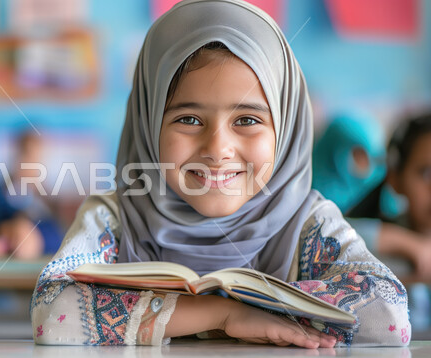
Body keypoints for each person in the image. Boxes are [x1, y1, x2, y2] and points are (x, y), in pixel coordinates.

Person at [30, 0, 409, 348]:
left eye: (246, 120)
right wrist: (225, 315)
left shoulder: (306, 221)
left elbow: (387, 318)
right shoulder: (114, 216)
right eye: (188, 119)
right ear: (147, 124)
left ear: (286, 128)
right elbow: (53, 315)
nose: (217, 148)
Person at [347, 109, 431, 330]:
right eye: (427, 173)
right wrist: (401, 241)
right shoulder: (382, 238)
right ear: (395, 179)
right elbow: (324, 233)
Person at [312, 112, 387, 214]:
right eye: (358, 154)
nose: (365, 164)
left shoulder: (380, 184)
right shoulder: (302, 185)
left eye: (372, 156)